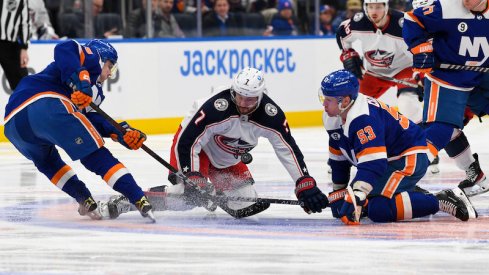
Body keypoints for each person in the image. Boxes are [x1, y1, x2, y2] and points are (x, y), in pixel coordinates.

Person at [107, 67, 328, 219]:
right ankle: (131, 200)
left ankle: (215, 196)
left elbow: (287, 149)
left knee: (245, 204)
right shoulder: (216, 107)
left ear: (260, 96)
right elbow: (188, 141)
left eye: (250, 98)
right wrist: (193, 175)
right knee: (188, 196)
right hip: (197, 151)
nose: (242, 103)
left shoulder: (271, 115)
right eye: (239, 95)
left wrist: (304, 181)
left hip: (227, 157)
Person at [3, 39, 154, 221]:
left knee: (47, 162)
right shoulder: (92, 59)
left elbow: (90, 120)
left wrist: (119, 132)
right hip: (46, 103)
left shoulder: (95, 93)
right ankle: (137, 197)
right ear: (103, 59)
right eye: (110, 67)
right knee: (93, 153)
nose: (109, 75)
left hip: (13, 124)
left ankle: (84, 199)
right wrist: (81, 80)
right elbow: (64, 47)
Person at [320, 70, 477, 224]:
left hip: (407, 158)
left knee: (378, 209)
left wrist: (358, 194)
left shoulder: (363, 119)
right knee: (355, 204)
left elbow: (373, 163)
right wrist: (338, 191)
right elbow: (338, 157)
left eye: (328, 99)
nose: (324, 103)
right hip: (390, 161)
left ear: (345, 101)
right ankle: (409, 193)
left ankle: (441, 199)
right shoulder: (333, 116)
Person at [403, 0, 489, 196]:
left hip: (483, 78)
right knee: (443, 128)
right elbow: (412, 19)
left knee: (446, 128)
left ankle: (477, 177)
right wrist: (419, 48)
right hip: (449, 79)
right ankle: (405, 176)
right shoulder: (447, 7)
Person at [0, 0, 29, 90]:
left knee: (21, 84)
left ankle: (23, 103)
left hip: (10, 45)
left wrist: (24, 48)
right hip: (9, 44)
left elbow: (25, 22)